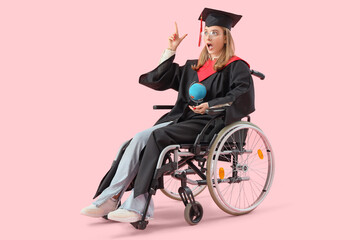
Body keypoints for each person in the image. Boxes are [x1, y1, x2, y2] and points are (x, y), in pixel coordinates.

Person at [81, 7, 255, 223]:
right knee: (135, 140)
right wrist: (170, 50)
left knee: (155, 137)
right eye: (207, 31)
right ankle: (110, 197)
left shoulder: (236, 66)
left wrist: (211, 104)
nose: (208, 36)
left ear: (226, 38)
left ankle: (139, 204)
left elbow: (241, 94)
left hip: (212, 123)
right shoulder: (194, 66)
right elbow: (160, 79)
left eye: (215, 32)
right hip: (182, 119)